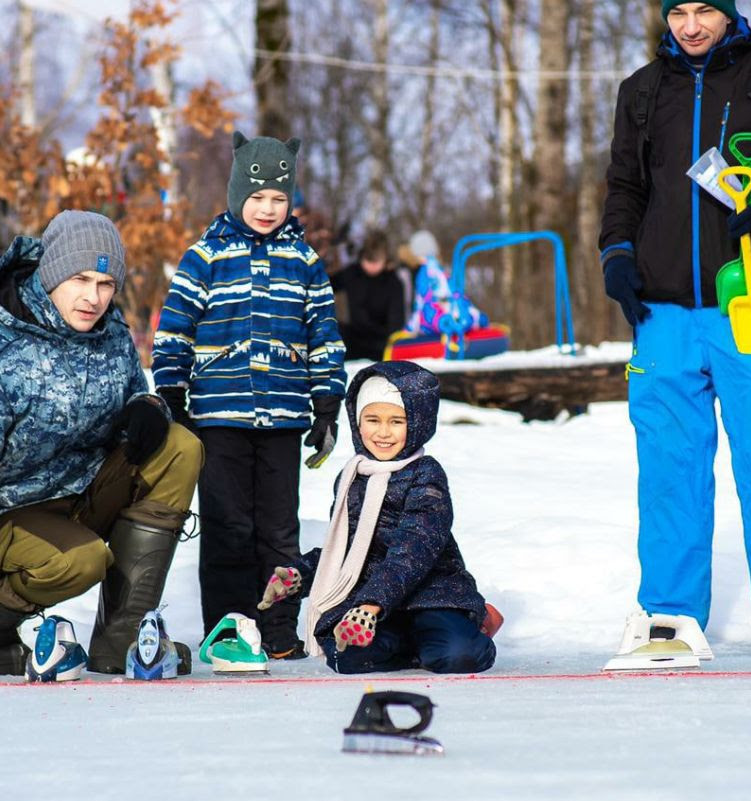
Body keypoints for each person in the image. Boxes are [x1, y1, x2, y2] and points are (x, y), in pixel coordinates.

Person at [599, 0, 751, 654]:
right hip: (661, 312)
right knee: (670, 470)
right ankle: (672, 614)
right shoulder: (642, 92)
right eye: (680, 12)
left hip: (750, 302)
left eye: (707, 10)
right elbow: (624, 186)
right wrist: (616, 255)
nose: (692, 26)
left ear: (730, 14)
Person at [0, 210, 204, 676]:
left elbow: (132, 394)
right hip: (9, 519)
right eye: (81, 279)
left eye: (107, 283)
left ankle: (124, 641)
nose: (94, 297)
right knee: (81, 560)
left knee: (179, 446)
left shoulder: (111, 334)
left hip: (84, 493)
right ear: (52, 273)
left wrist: (148, 409)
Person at [152, 131, 347, 660]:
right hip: (218, 416)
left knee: (279, 531)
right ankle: (230, 629)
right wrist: (171, 392)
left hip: (284, 418)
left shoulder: (304, 262)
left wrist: (327, 402)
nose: (267, 208)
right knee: (227, 527)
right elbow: (175, 330)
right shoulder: (204, 257)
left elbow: (323, 334)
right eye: (257, 198)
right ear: (238, 194)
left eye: (279, 199)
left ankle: (279, 626)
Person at [256, 361, 498, 674]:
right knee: (344, 656)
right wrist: (299, 574)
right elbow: (346, 552)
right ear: (358, 422)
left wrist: (372, 604)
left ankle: (471, 625)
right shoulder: (352, 478)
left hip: (430, 593)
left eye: (396, 421)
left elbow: (413, 550)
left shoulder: (426, 474)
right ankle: (416, 644)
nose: (383, 433)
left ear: (418, 422)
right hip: (377, 603)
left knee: (457, 656)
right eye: (373, 419)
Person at [330, 230, 410, 361]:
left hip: (381, 345)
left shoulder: (393, 282)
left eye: (376, 261)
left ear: (385, 259)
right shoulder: (352, 273)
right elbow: (325, 284)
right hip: (352, 341)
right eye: (368, 260)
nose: (371, 266)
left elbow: (396, 321)